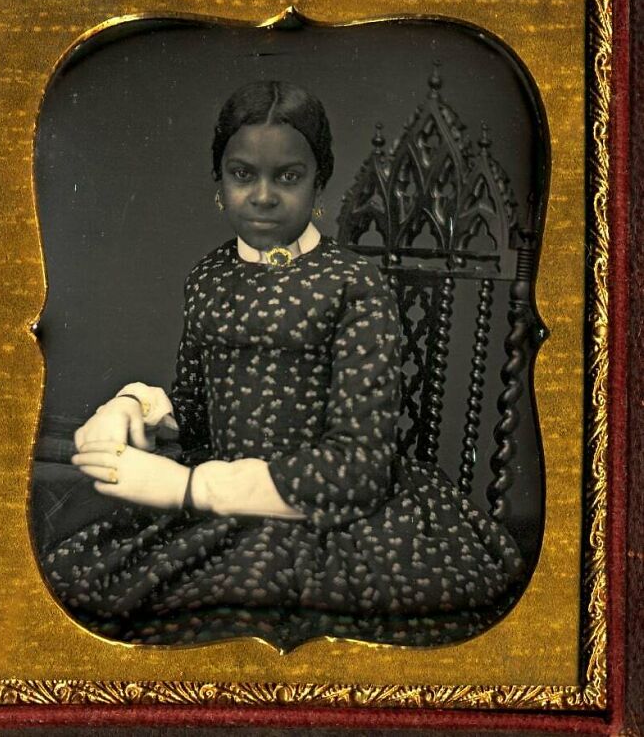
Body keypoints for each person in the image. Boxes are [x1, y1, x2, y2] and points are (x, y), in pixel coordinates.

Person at [33, 80, 525, 648]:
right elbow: (198, 416)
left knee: (253, 618)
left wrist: (190, 488)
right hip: (220, 510)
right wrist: (133, 406)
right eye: (243, 174)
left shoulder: (353, 284)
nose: (263, 195)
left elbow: (359, 468)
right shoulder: (209, 277)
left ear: (319, 182)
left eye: (287, 176)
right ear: (219, 182)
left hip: (338, 521)